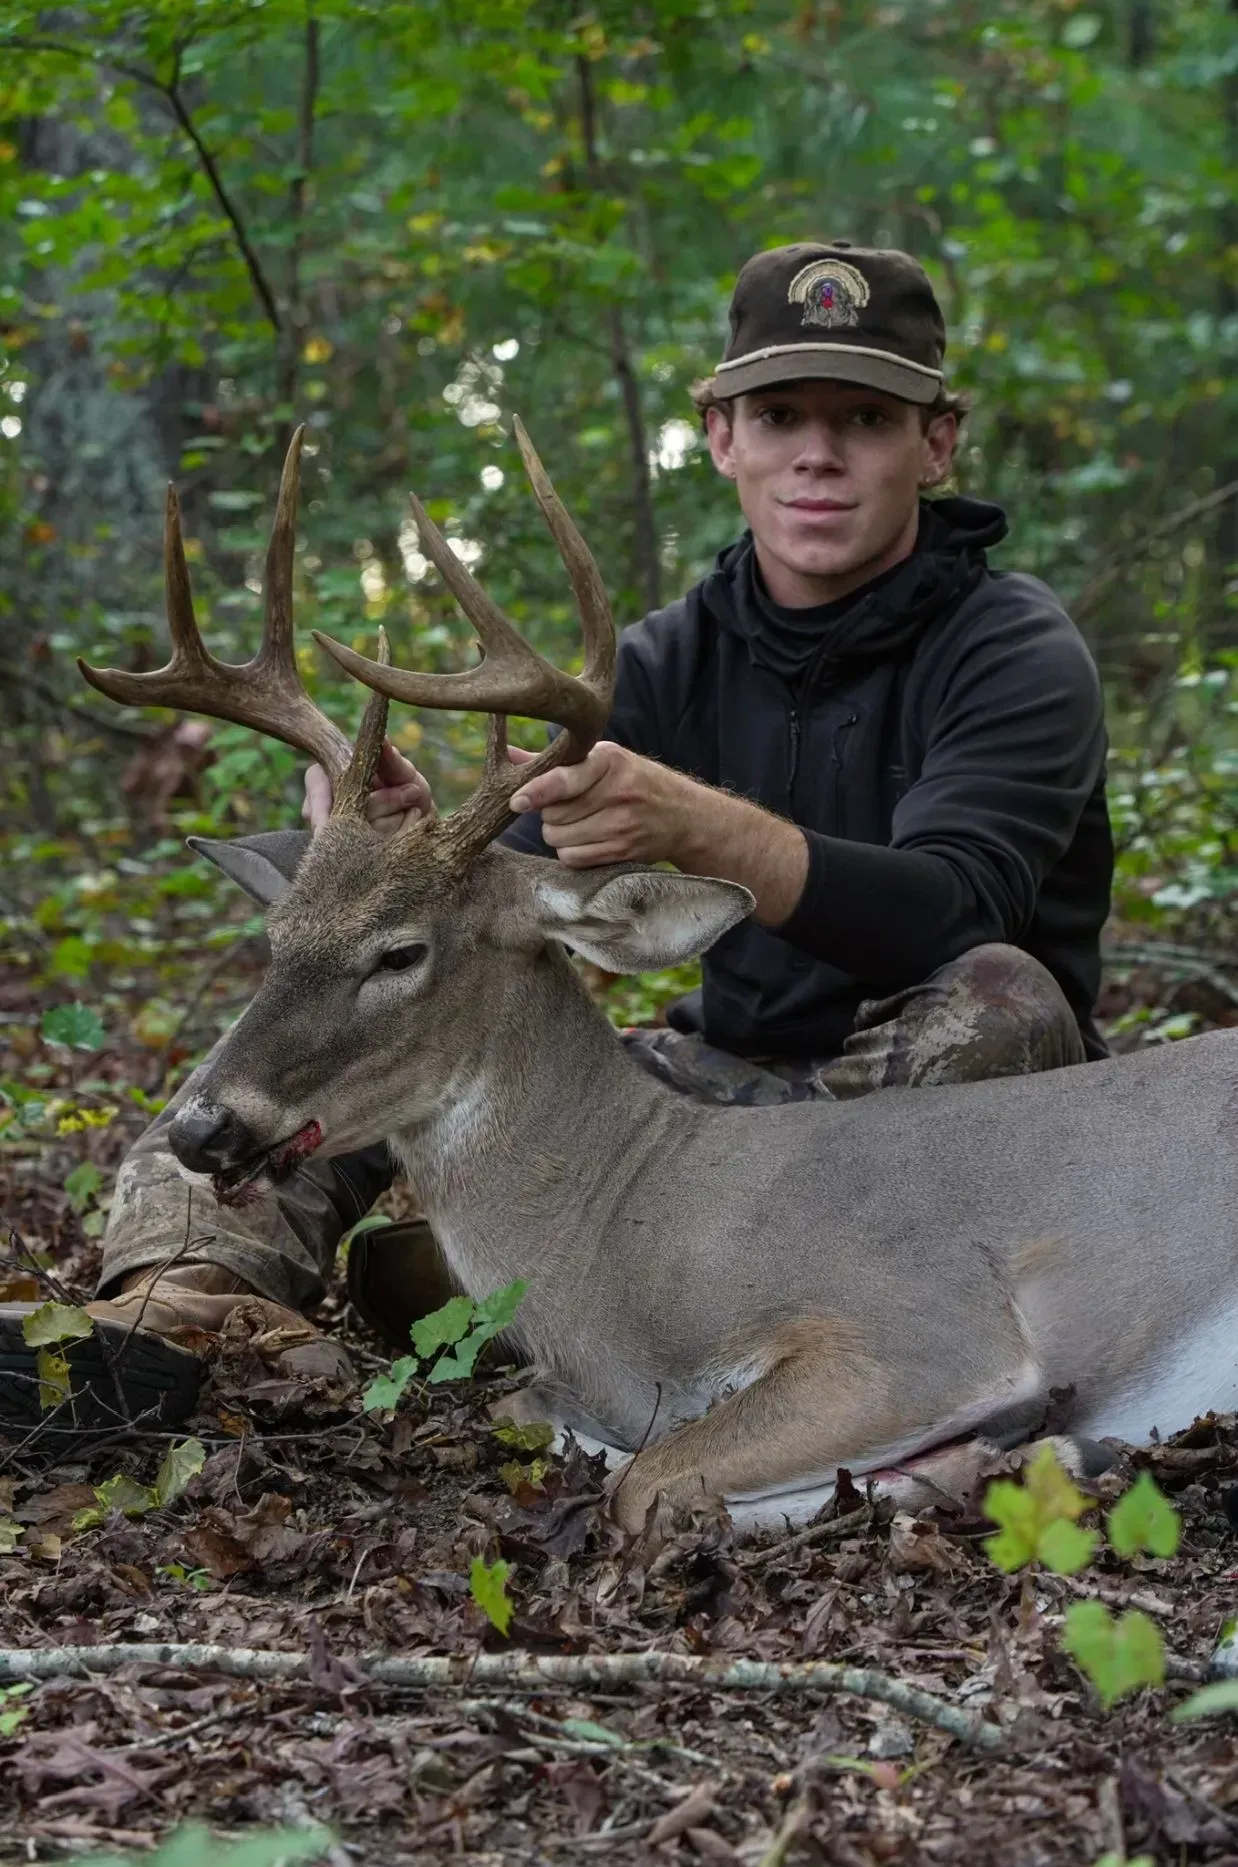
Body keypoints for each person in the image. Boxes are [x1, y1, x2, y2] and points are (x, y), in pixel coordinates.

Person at [0, 241, 1112, 1429]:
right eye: (779, 413)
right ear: (720, 435)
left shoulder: (1010, 651)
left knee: (1002, 997)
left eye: (866, 418)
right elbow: (487, 885)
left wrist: (705, 829)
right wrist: (395, 841)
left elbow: (955, 910)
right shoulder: (647, 665)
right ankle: (175, 1313)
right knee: (375, 985)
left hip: (905, 1115)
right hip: (699, 1115)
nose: (817, 453)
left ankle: (690, 1326)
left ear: (933, 444)